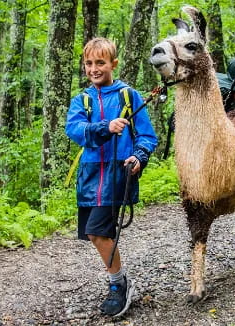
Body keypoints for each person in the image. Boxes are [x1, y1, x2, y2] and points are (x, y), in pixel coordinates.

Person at [65, 37, 158, 317]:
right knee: (96, 234)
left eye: (100, 63)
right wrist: (106, 126)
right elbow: (75, 129)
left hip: (118, 173)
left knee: (97, 230)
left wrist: (138, 157)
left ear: (113, 64)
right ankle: (119, 280)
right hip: (91, 176)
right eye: (89, 63)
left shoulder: (129, 96)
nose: (94, 68)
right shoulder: (82, 99)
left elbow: (147, 136)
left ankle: (119, 285)